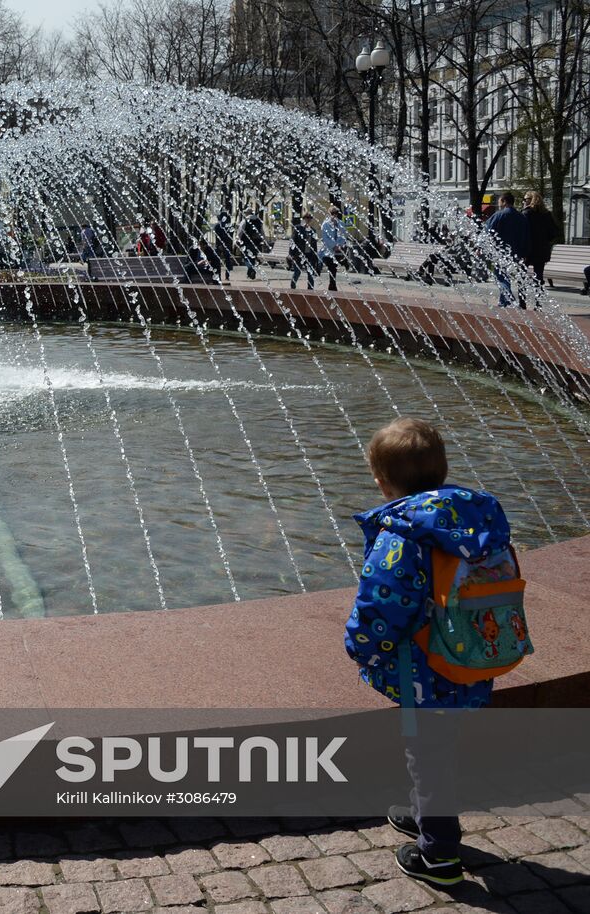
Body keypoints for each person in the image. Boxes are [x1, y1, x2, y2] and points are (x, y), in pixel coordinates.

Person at [345, 418, 516, 888]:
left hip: (425, 667)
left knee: (428, 752)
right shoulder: (478, 522)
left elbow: (382, 603)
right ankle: (424, 813)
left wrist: (360, 646)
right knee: (437, 745)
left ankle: (439, 852)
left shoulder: (403, 535)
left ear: (381, 482)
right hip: (477, 654)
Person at [486, 194, 529, 307]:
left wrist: (482, 247)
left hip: (500, 251)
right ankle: (503, 301)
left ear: (504, 201)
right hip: (516, 252)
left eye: (500, 201)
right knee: (505, 276)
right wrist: (523, 252)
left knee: (501, 276)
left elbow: (488, 231)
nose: (499, 203)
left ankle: (509, 300)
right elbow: (525, 236)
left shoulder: (499, 215)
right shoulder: (521, 216)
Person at [521, 191, 557, 287]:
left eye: (525, 199)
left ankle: (522, 300)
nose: (523, 202)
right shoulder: (547, 214)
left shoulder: (526, 213)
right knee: (539, 276)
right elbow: (553, 233)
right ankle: (539, 300)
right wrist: (544, 241)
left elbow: (522, 232)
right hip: (542, 249)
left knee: (521, 275)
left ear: (530, 200)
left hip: (527, 250)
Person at [319, 206, 349, 292]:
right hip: (328, 250)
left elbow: (343, 236)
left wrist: (339, 245)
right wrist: (333, 245)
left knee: (333, 268)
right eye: (332, 213)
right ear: (329, 214)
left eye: (336, 213)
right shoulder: (325, 224)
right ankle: (332, 284)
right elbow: (325, 238)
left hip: (338, 251)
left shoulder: (341, 224)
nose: (334, 215)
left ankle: (332, 284)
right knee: (331, 266)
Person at [289, 213, 319, 290]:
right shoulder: (298, 228)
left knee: (310, 273)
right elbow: (292, 241)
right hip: (299, 255)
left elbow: (314, 245)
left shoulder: (313, 231)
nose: (308, 219)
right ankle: (293, 283)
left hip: (309, 255)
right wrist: (291, 254)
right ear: (304, 219)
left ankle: (310, 288)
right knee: (297, 272)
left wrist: (316, 257)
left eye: (310, 218)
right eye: (307, 218)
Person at [239, 208, 265, 279]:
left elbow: (240, 231)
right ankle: (251, 273)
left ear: (247, 213)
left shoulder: (245, 221)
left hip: (246, 242)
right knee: (253, 257)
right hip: (256, 242)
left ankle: (251, 268)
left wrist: (237, 240)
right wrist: (262, 240)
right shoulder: (258, 221)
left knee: (245, 257)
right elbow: (262, 232)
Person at [213, 211, 235, 280]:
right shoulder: (230, 226)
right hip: (228, 245)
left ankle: (218, 275)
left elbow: (217, 236)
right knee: (227, 260)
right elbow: (231, 237)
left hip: (219, 245)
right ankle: (227, 275)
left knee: (217, 260)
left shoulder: (217, 226)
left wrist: (219, 244)